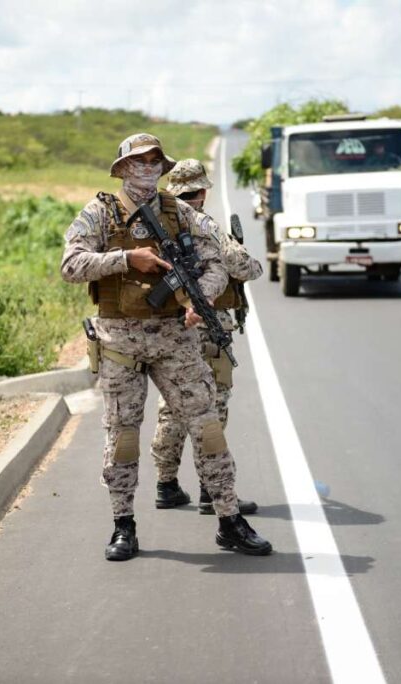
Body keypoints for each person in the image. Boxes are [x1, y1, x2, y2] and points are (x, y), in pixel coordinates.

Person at [60, 133, 273, 561]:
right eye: (139, 160)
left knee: (208, 429)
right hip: (120, 344)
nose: (149, 166)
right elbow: (71, 266)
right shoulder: (100, 213)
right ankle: (124, 525)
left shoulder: (180, 213)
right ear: (122, 168)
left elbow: (218, 261)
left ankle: (229, 520)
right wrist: (125, 260)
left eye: (156, 160)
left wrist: (203, 297)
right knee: (122, 438)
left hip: (176, 341)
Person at [150, 159, 263, 515]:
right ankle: (209, 491)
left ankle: (166, 485)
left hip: (168, 329)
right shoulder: (206, 226)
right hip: (207, 329)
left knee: (171, 407)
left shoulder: (156, 227)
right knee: (211, 409)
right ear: (201, 192)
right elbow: (246, 268)